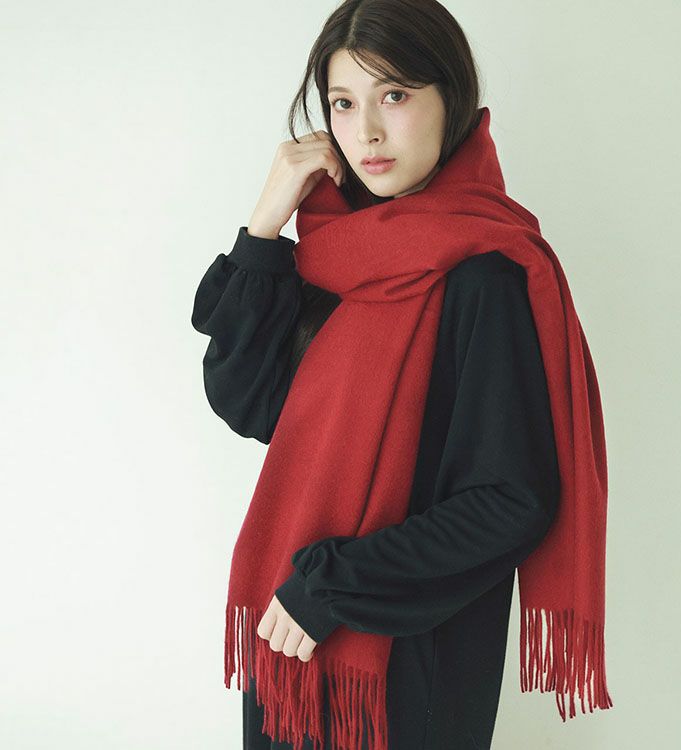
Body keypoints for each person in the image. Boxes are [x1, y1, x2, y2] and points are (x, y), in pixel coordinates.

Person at [192, 1, 611, 748]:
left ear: (451, 98)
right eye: (343, 103)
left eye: (394, 94)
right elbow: (250, 403)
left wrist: (332, 585)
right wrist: (263, 228)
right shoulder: (336, 257)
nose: (367, 133)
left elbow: (511, 501)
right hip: (293, 648)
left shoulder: (486, 276)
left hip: (402, 659)